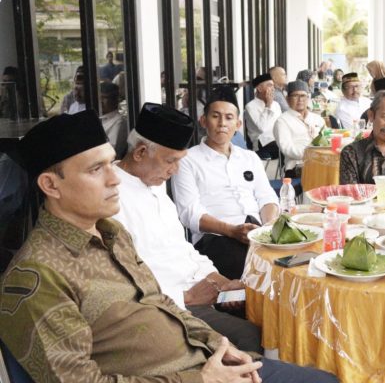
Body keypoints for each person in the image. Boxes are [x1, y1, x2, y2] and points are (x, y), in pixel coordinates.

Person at [2, 110, 337, 382]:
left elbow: (159, 300)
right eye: (96, 169)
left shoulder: (111, 234)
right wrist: (203, 379)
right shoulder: (37, 275)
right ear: (50, 185)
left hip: (202, 358)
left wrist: (218, 345)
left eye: (110, 162)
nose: (115, 177)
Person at [113, 102, 264, 354]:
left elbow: (182, 248)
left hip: (200, 289)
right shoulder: (112, 199)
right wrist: (187, 297)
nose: (175, 171)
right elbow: (120, 281)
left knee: (268, 307)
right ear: (140, 153)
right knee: (252, 334)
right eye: (170, 161)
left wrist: (219, 280)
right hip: (168, 306)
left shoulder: (154, 184)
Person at [172, 90, 280, 280]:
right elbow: (190, 213)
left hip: (257, 233)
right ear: (203, 121)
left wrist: (268, 228)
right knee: (258, 274)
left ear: (237, 125)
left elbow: (267, 197)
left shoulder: (249, 157)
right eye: (215, 116)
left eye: (229, 118)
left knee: (292, 263)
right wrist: (232, 230)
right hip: (216, 238)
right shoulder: (187, 160)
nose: (222, 123)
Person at [273, 80, 325, 178]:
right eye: (295, 96)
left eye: (303, 96)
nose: (300, 99)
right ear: (287, 99)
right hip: (297, 165)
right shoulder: (282, 121)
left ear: (308, 98)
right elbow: (287, 149)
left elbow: (327, 139)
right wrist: (312, 154)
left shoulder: (317, 118)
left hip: (322, 161)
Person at [244, 73, 281, 159]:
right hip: (261, 144)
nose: (273, 89)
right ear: (259, 88)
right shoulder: (250, 106)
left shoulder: (276, 105)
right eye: (269, 85)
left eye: (273, 86)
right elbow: (262, 128)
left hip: (277, 140)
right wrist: (268, 106)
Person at [98, 81, 129, 158]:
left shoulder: (119, 123)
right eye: (99, 98)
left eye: (104, 98)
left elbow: (112, 151)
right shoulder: (96, 119)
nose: (100, 101)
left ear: (115, 100)